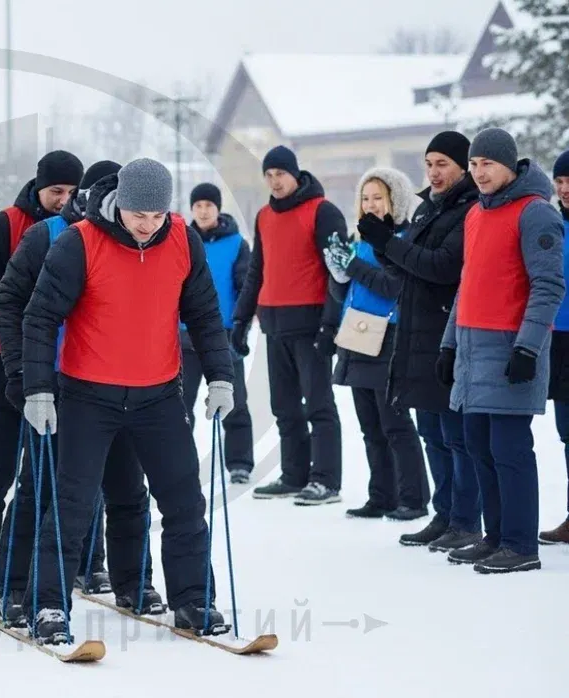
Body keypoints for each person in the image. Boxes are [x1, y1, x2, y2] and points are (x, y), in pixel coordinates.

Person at [22, 159, 234, 644]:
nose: (148, 225)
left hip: (157, 396)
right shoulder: (79, 241)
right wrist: (37, 389)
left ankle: (193, 599)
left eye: (158, 215)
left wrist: (220, 377)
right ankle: (49, 605)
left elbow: (203, 313)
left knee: (183, 500)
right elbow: (39, 317)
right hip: (87, 396)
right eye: (139, 214)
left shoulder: (184, 240)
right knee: (72, 506)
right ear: (120, 203)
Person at [0, 159, 164, 625]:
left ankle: (134, 582)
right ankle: (16, 585)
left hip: (117, 383)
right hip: (52, 385)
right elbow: (8, 303)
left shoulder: (137, 242)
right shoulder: (48, 236)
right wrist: (20, 374)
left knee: (127, 487)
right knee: (41, 488)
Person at [0, 150, 84, 604]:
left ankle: (22, 567)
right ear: (38, 187)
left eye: (71, 192)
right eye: (55, 192)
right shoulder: (5, 225)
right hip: (2, 364)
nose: (63, 200)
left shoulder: (81, 232)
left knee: (44, 476)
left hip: (57, 369)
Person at [439, 128, 565, 573]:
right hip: (473, 347)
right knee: (477, 444)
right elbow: (467, 284)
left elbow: (549, 286)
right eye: (473, 165)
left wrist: (528, 347)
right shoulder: (475, 213)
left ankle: (520, 544)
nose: (478, 172)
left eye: (486, 164)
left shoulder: (535, 214)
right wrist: (449, 344)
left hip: (511, 348)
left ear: (510, 164)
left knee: (509, 449)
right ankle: (495, 536)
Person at [357, 132, 483, 549]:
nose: (433, 172)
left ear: (464, 166)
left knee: (456, 437)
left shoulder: (467, 210)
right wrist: (382, 243)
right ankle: (444, 514)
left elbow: (442, 267)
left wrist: (386, 242)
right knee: (432, 432)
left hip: (447, 334)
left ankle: (466, 520)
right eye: (429, 163)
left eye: (443, 163)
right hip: (417, 334)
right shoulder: (428, 208)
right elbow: (405, 266)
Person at [231, 145, 345, 505]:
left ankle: (326, 480)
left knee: (319, 405)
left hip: (311, 325)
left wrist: (330, 324)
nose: (274, 181)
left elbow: (338, 274)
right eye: (268, 175)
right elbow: (256, 271)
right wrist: (240, 319)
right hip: (274, 324)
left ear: (295, 173)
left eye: (280, 173)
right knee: (284, 406)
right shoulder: (264, 216)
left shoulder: (322, 212)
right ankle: (295, 475)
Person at [322, 167, 430, 521]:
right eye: (365, 198)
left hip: (391, 336)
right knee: (370, 426)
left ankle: (413, 499)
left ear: (393, 200)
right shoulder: (361, 238)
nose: (370, 205)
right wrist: (337, 274)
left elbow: (392, 286)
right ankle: (381, 496)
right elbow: (347, 291)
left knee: (395, 424)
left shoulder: (402, 237)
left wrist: (351, 267)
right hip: (358, 333)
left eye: (377, 198)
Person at [183, 183, 255, 482]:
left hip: (223, 336)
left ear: (218, 208)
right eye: (197, 205)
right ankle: (180, 462)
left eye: (208, 205)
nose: (202, 210)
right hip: (183, 336)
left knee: (235, 401)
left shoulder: (237, 244)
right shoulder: (181, 241)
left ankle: (239, 462)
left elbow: (245, 288)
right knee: (179, 405)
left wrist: (241, 325)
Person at [542, 148, 569, 545]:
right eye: (560, 182)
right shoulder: (552, 226)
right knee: (567, 432)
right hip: (558, 339)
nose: (564, 189)